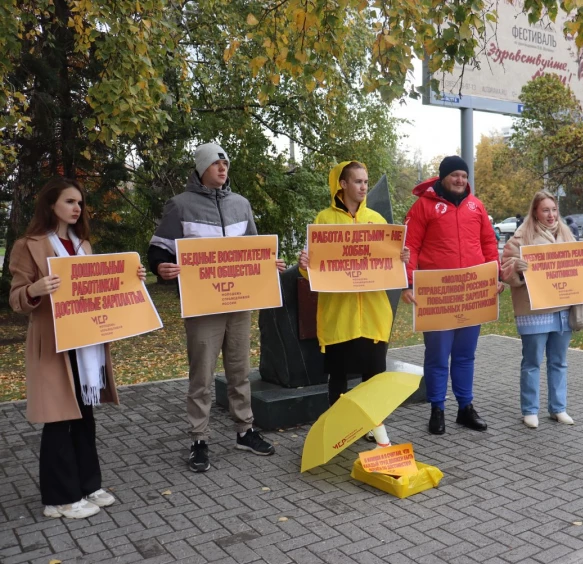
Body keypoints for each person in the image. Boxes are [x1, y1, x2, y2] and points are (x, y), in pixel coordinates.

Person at [9, 178, 145, 519]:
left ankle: (88, 484)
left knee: (85, 415)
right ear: (51, 204)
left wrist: (132, 277)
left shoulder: (83, 244)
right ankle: (59, 499)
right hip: (53, 343)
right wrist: (35, 288)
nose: (77, 208)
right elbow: (15, 299)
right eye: (70, 201)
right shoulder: (29, 245)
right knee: (58, 419)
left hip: (85, 340)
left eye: (80, 203)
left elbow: (100, 287)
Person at [148, 143, 286, 473]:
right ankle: (199, 439)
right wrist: (161, 269)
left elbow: (254, 251)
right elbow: (158, 250)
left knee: (240, 371)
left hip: (239, 304)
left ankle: (244, 430)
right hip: (202, 306)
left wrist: (270, 264)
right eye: (215, 163)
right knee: (202, 375)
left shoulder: (241, 204)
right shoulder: (179, 206)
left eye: (225, 163)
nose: (223, 168)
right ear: (200, 168)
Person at [298, 161, 409, 447]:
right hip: (339, 316)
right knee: (338, 376)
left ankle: (373, 425)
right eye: (357, 181)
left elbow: (389, 264)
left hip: (373, 314)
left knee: (373, 376)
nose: (363, 187)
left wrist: (401, 259)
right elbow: (313, 269)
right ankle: (338, 427)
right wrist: (304, 265)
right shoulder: (324, 220)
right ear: (343, 185)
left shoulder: (377, 220)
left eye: (365, 181)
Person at [402, 156, 503, 435]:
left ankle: (465, 407)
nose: (460, 180)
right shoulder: (423, 206)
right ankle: (437, 408)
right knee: (437, 355)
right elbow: (410, 246)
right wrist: (407, 283)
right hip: (437, 296)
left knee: (465, 355)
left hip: (471, 294)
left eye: (463, 175)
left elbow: (488, 244)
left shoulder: (476, 206)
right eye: (454, 175)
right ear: (443, 177)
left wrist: (495, 278)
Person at [501, 191, 583, 428]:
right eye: (545, 210)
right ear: (535, 212)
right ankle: (530, 410)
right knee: (532, 361)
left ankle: (558, 408)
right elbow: (505, 271)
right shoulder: (521, 238)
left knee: (559, 361)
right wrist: (517, 268)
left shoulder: (568, 236)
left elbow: (581, 267)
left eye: (554, 209)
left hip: (562, 309)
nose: (551, 215)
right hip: (534, 311)